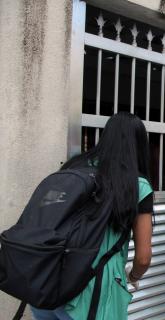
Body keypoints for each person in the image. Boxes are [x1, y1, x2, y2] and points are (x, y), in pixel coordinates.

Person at [30, 112, 154, 320]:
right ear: (139, 145)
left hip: (47, 285)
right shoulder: (137, 185)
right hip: (91, 296)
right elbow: (143, 257)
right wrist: (132, 276)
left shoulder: (74, 167)